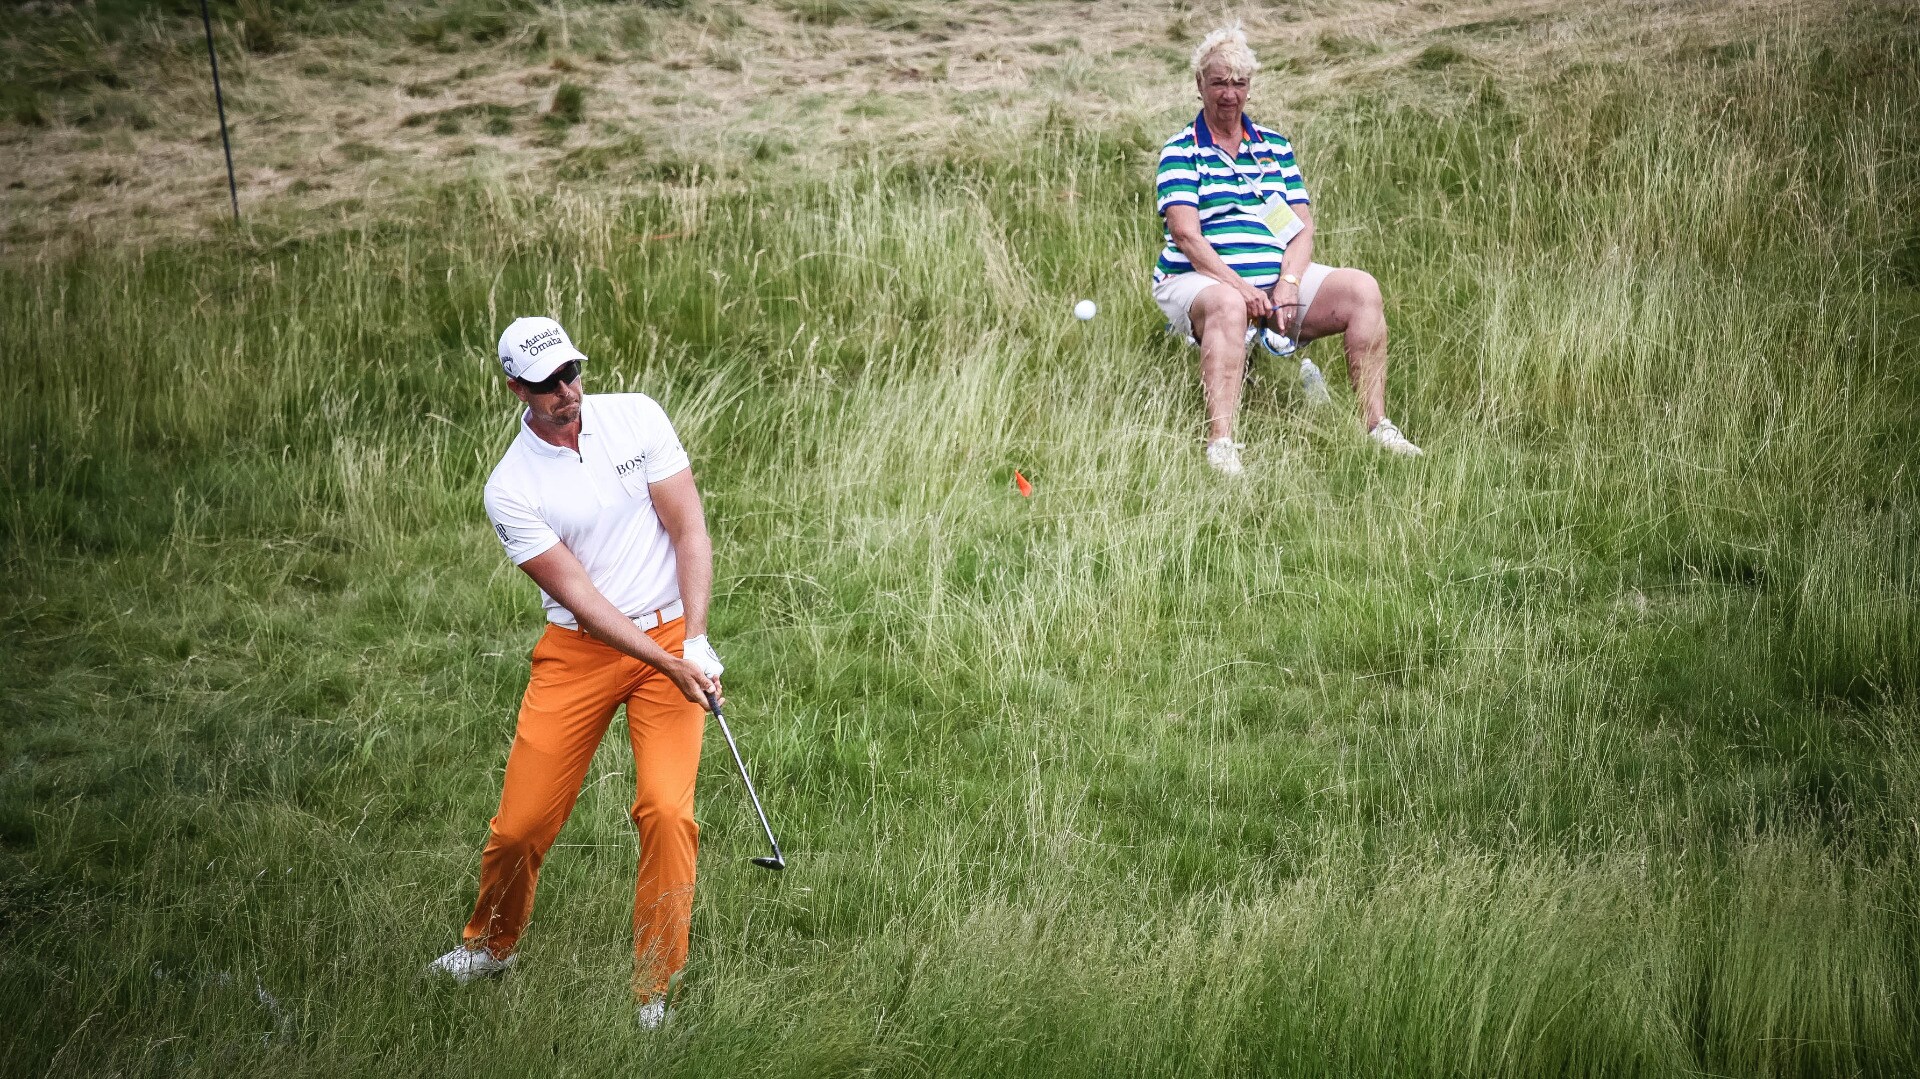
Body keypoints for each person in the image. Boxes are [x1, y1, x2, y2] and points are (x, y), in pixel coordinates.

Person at [425, 315, 724, 1030]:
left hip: (671, 635)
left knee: (667, 810)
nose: (567, 392)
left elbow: (689, 529)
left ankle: (655, 989)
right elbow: (587, 608)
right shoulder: (511, 488)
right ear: (514, 390)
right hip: (581, 651)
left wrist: (698, 640)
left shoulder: (637, 417)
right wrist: (669, 660)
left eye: (571, 373)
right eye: (546, 384)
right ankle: (491, 944)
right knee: (522, 824)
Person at [1152, 22, 1424, 474]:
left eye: (1239, 83)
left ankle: (1378, 428)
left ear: (1250, 88)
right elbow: (1187, 237)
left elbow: (1300, 228)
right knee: (1224, 303)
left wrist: (1287, 285)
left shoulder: (1273, 146)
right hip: (1200, 280)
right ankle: (1221, 444)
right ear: (1199, 85)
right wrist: (1243, 290)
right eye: (1219, 82)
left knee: (1362, 289)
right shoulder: (1181, 150)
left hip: (1274, 282)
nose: (1229, 94)